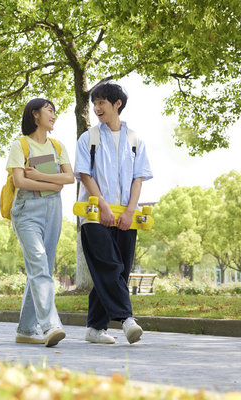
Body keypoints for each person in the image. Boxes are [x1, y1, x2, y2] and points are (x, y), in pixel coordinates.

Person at [74, 81, 153, 344]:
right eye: (94, 103)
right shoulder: (89, 139)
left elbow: (138, 179)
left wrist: (131, 211)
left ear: (117, 104)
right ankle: (127, 319)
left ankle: (95, 328)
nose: (97, 108)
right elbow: (84, 175)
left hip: (126, 217)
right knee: (109, 265)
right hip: (95, 215)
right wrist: (103, 206)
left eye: (101, 103)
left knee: (117, 272)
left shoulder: (135, 140)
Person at [6, 98, 75, 347]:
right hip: (27, 212)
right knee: (39, 264)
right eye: (49, 110)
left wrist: (42, 176)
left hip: (53, 211)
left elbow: (69, 178)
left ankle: (25, 329)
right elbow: (20, 182)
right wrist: (53, 183)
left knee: (41, 268)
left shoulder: (58, 147)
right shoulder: (20, 145)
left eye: (55, 112)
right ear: (35, 115)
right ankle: (50, 326)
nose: (54, 115)